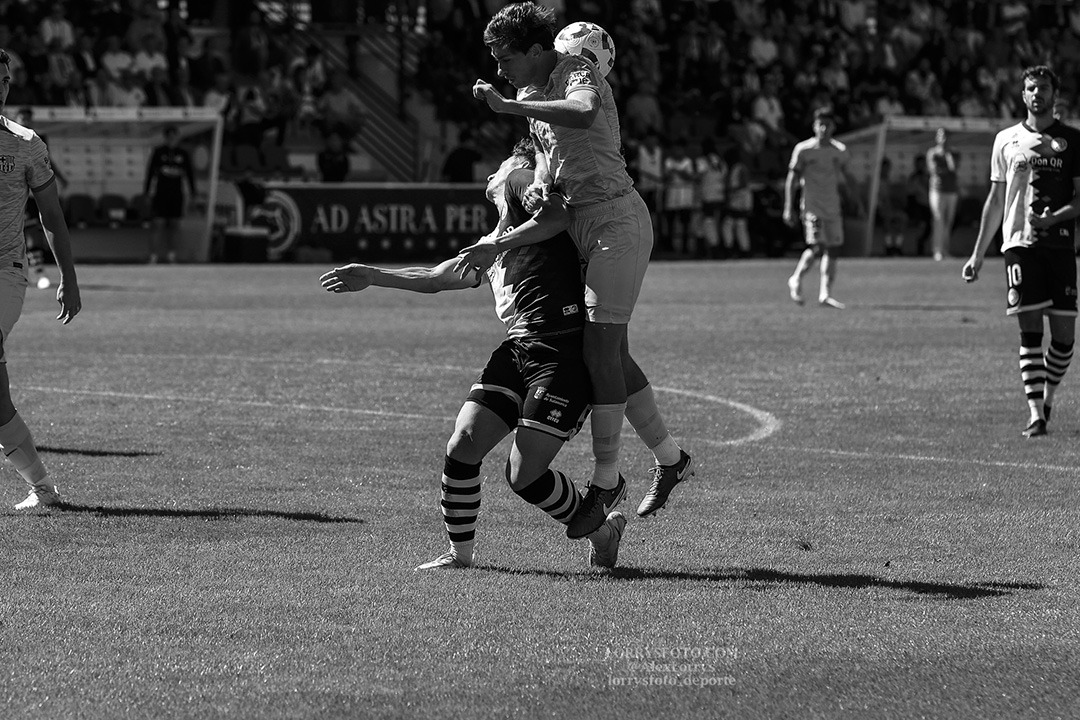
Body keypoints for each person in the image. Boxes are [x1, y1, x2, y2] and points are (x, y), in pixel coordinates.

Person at [320, 139, 627, 570]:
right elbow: (435, 278)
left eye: (498, 166)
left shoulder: (519, 185)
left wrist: (527, 181)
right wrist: (373, 275)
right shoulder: (495, 239)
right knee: (463, 443)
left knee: (523, 475)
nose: (490, 174)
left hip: (562, 351)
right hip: (519, 348)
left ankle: (602, 528)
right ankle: (461, 555)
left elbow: (555, 212)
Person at [464, 2, 693, 536]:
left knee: (598, 351)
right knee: (614, 354)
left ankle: (607, 479)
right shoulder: (531, 89)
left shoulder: (574, 70)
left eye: (505, 58)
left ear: (537, 50)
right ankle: (670, 458)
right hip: (578, 223)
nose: (499, 69)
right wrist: (541, 181)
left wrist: (508, 106)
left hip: (614, 220)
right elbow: (548, 149)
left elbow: (584, 111)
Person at [961, 65, 1080, 438]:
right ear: (1023, 95)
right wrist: (977, 255)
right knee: (1029, 330)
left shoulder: (1073, 140)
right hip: (1019, 245)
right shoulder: (1005, 140)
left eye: (1043, 87)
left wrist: (1054, 218)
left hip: (1060, 244)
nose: (1037, 94)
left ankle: (1047, 398)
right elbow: (996, 200)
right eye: (1031, 88)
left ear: (1054, 94)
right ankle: (1035, 415)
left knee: (1064, 338)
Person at [0, 49, 82, 509]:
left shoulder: (26, 143)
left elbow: (51, 214)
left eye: (5, 81)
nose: (0, 88)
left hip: (5, 274)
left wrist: (68, 276)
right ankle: (43, 488)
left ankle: (43, 488)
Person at [784, 106, 860, 309]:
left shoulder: (839, 151)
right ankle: (796, 278)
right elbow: (792, 179)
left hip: (833, 207)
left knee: (833, 249)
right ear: (814, 126)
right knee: (818, 246)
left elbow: (848, 177)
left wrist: (856, 200)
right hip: (812, 207)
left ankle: (825, 294)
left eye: (827, 124)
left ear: (833, 127)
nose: (824, 129)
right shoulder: (804, 150)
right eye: (820, 124)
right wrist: (788, 206)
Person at [15, 107, 67, 290]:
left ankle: (39, 273)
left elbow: (47, 161)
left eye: (28, 118)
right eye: (23, 118)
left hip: (30, 194)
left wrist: (59, 178)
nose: (25, 121)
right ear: (17, 118)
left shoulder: (37, 139)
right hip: (12, 194)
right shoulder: (7, 137)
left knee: (32, 233)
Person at [144, 125, 196, 264]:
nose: (172, 139)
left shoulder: (183, 154)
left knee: (175, 224)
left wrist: (193, 193)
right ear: (166, 138)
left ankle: (172, 255)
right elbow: (150, 173)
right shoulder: (158, 152)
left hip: (176, 194)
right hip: (161, 193)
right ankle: (153, 256)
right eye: (170, 137)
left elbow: (190, 174)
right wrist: (147, 192)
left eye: (175, 136)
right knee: (158, 224)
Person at [926, 127, 960, 261]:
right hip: (937, 190)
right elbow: (934, 170)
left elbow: (954, 168)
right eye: (941, 136)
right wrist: (945, 169)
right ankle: (937, 250)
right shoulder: (932, 153)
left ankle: (945, 250)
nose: (944, 139)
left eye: (946, 136)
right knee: (938, 219)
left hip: (951, 190)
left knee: (948, 221)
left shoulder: (954, 153)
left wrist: (948, 156)